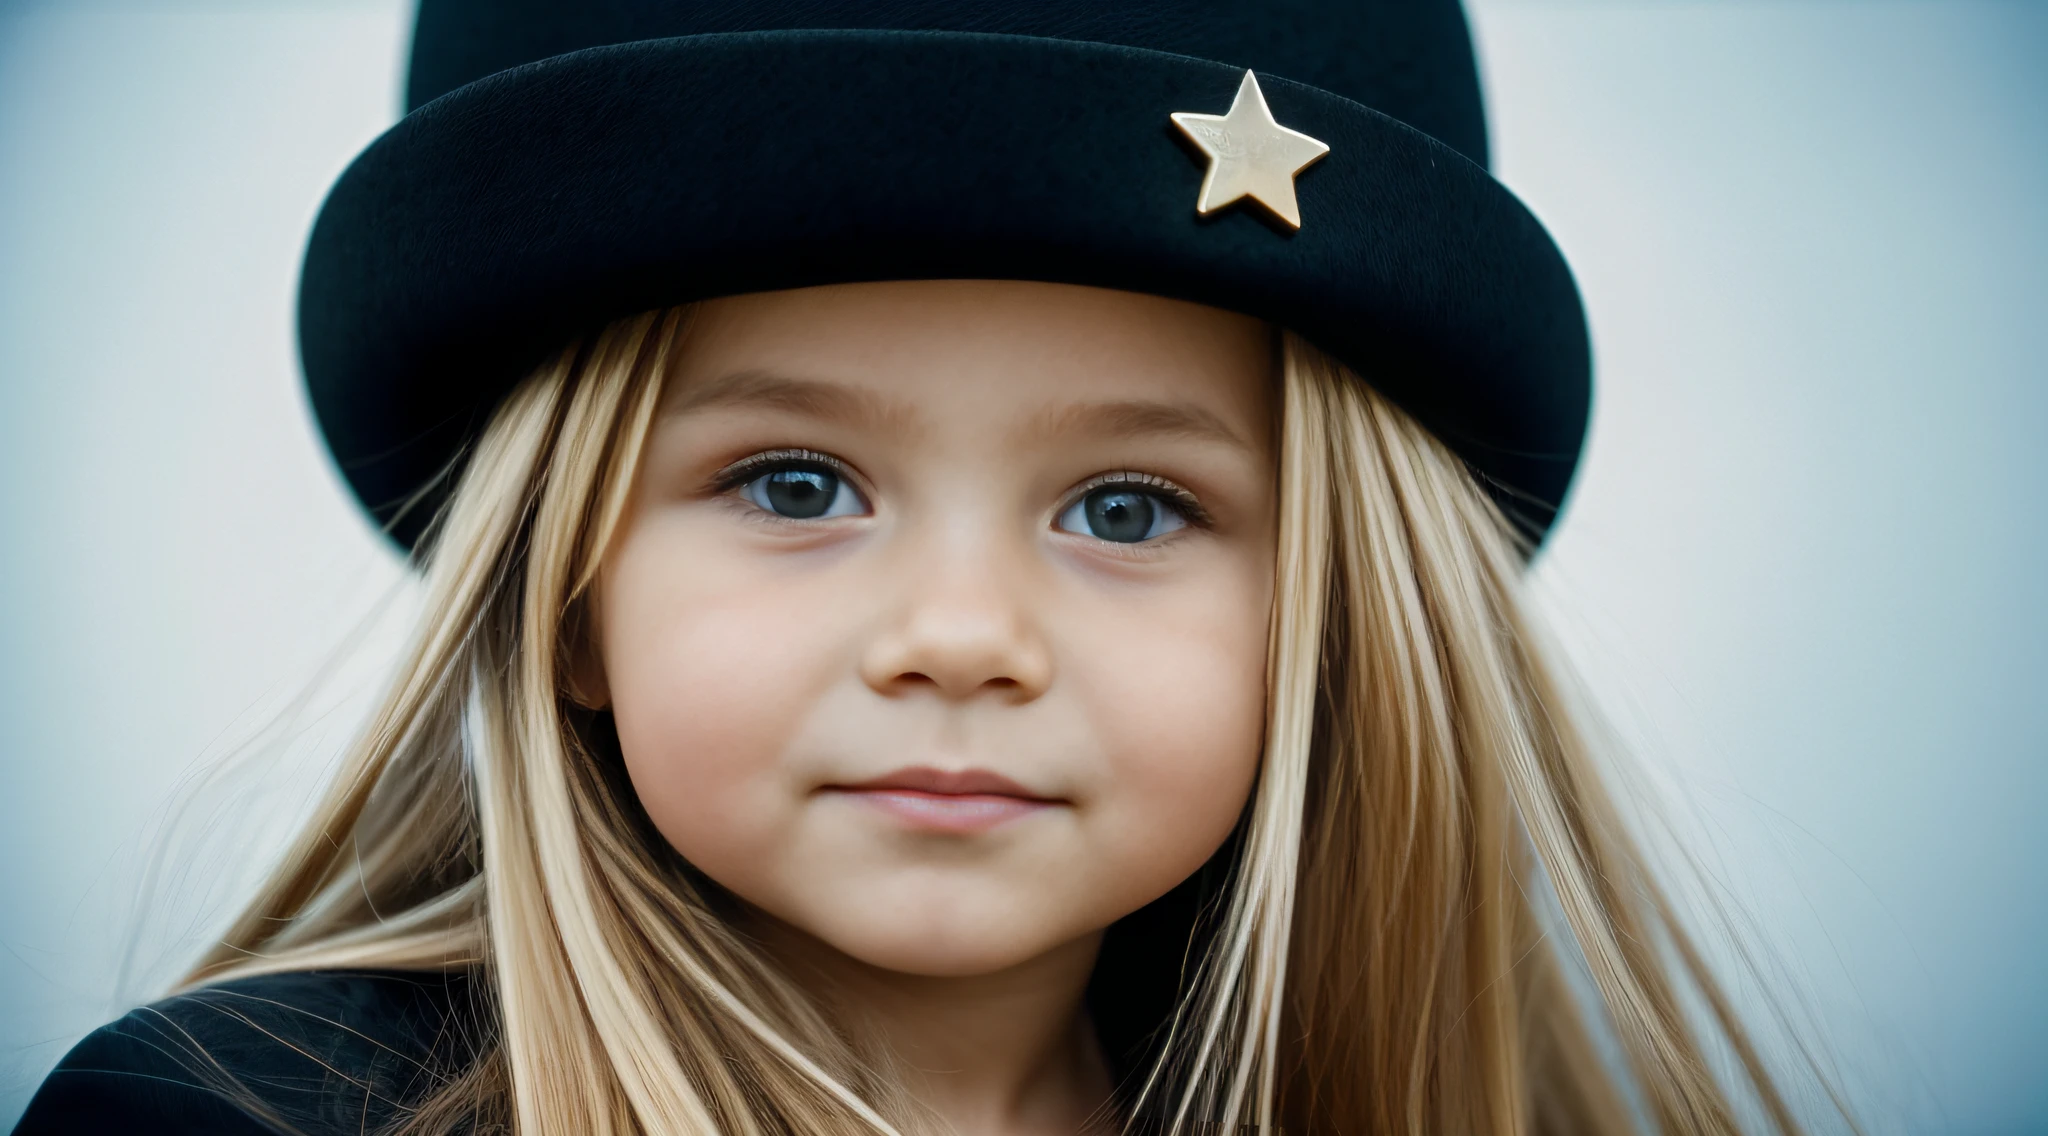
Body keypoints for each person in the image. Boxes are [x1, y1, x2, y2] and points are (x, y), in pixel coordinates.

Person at [15, 2, 1835, 1133]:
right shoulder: (233, 1125)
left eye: (1128, 509)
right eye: (796, 484)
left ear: (1330, 624)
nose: (962, 640)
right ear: (565, 594)